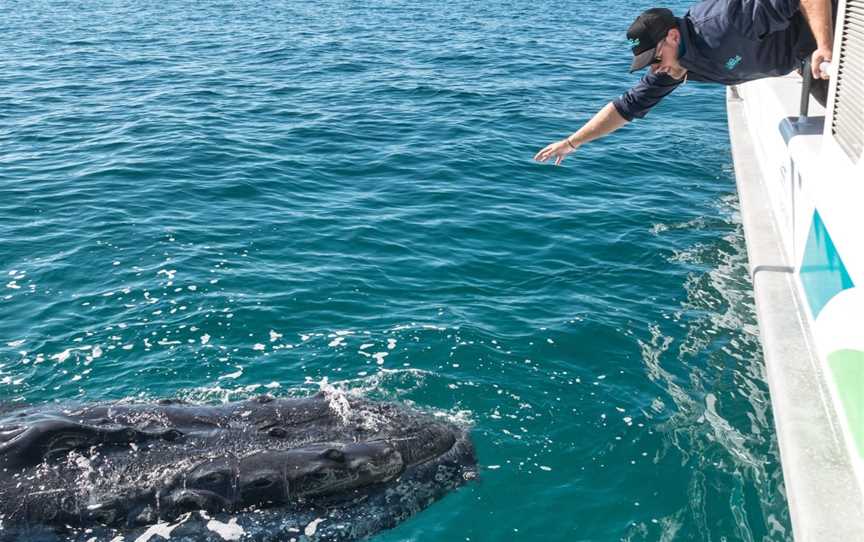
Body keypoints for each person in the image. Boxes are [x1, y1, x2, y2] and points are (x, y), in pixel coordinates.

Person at [534, 0, 835, 166]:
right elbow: (627, 107)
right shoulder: (676, 65)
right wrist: (573, 142)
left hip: (836, 32)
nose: (655, 68)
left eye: (655, 57)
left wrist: (824, 44)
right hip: (809, 61)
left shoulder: (724, 21)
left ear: (673, 36)